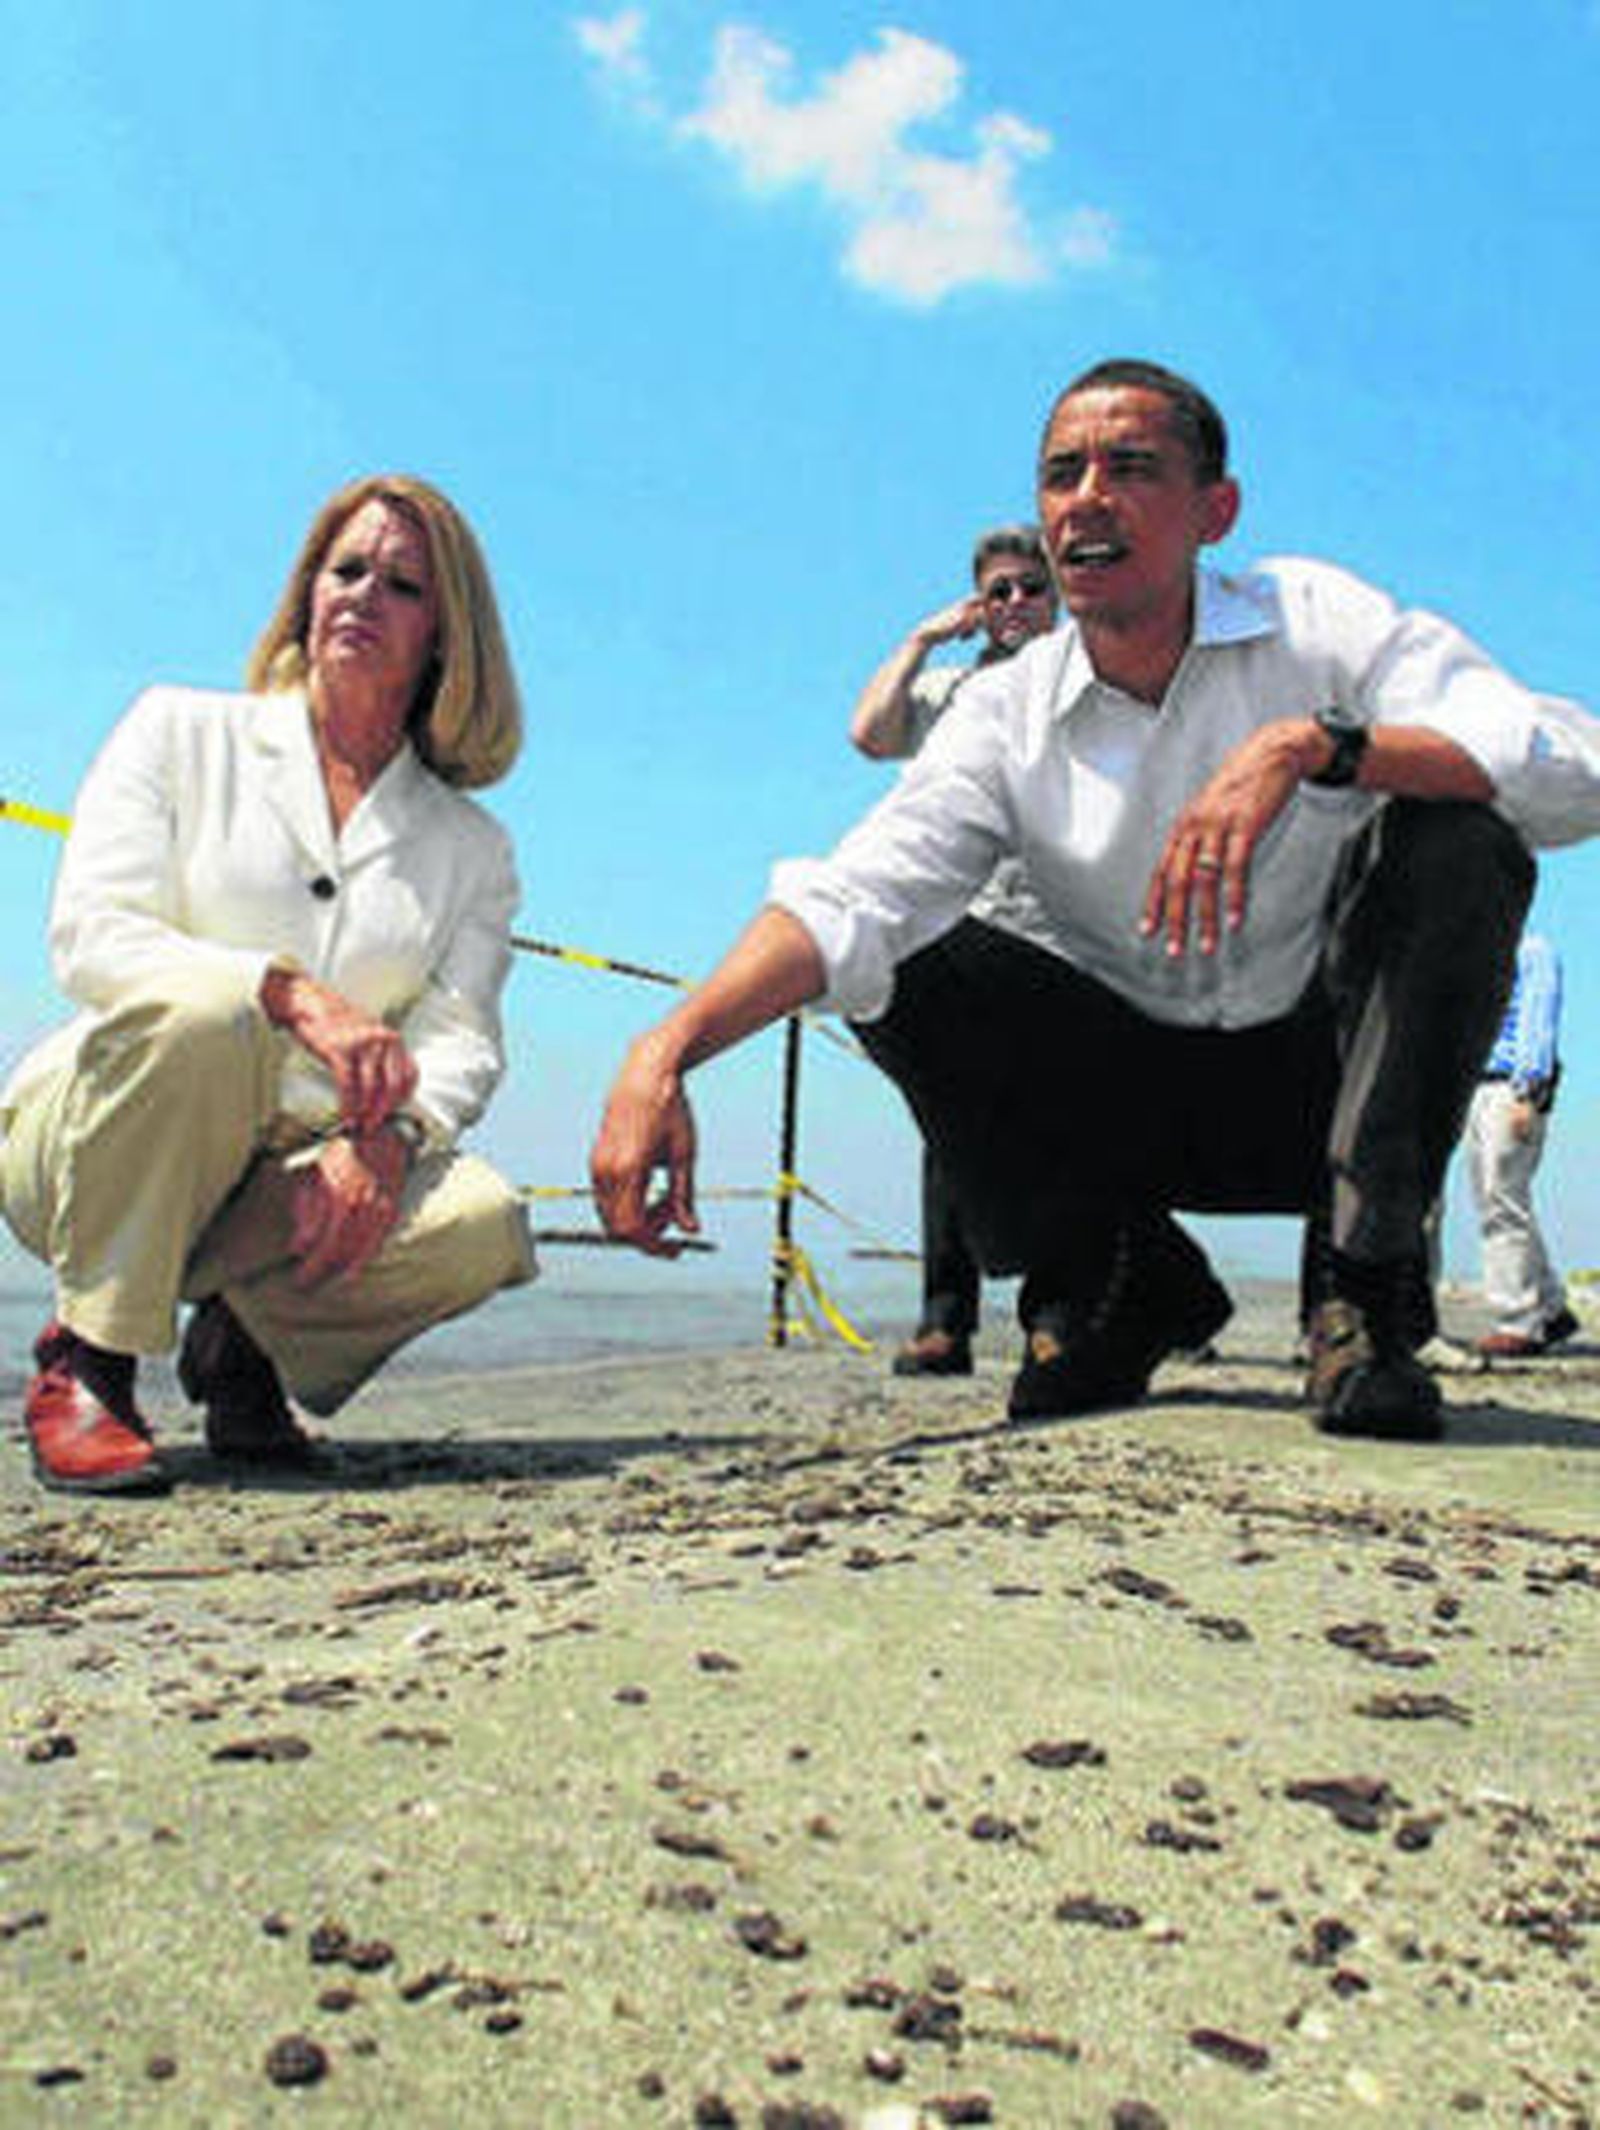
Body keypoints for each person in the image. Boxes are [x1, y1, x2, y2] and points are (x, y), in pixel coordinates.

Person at [591, 359, 1600, 1444]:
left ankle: (1360, 1289)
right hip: (1126, 1101)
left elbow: (1566, 763)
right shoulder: (1002, 715)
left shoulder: (1315, 624)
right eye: (1061, 474)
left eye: (1130, 468)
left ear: (1216, 511)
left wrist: (1322, 747)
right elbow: (858, 893)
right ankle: (1121, 1278)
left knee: (1462, 831)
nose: (1086, 499)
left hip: (1328, 1096)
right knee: (909, 958)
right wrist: (668, 1047)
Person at [2, 475, 537, 1495]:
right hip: (95, 1149)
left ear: (447, 634)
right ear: (305, 594)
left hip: (291, 1176)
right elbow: (91, 935)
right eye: (346, 570)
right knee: (208, 1011)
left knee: (481, 1224)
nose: (363, 596)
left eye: (404, 585)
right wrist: (285, 992)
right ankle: (88, 1359)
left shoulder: (476, 849)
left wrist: (387, 1136)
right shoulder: (175, 730)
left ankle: (242, 1349)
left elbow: (462, 1034)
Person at [850, 525, 1058, 1377]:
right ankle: (946, 1317)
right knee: (949, 1117)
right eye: (999, 591)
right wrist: (925, 636)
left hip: (1058, 931)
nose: (1015, 605)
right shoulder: (948, 690)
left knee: (1056, 1122)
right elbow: (869, 733)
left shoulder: (1091, 678)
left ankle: (1056, 1313)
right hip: (957, 929)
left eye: (1030, 588)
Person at [1464, 930, 1579, 1358]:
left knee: (1502, 1201)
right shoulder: (1484, 950)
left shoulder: (1533, 949)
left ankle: (1518, 1321)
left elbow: (1538, 1020)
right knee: (1500, 1200)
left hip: (1509, 1090)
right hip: (1479, 1085)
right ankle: (1550, 1307)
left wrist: (1529, 1092)